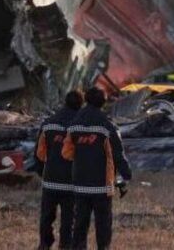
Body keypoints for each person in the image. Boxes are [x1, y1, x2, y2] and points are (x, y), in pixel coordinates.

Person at [61, 87, 132, 250]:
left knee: (79, 223)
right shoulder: (107, 127)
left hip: (80, 183)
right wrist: (126, 174)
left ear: (86, 100)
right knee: (103, 225)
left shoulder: (73, 127)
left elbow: (66, 153)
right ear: (103, 102)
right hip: (102, 185)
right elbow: (118, 154)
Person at [35, 90, 84, 250]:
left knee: (47, 217)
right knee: (69, 218)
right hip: (72, 182)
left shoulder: (48, 124)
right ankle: (65, 245)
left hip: (51, 180)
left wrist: (42, 172)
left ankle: (44, 244)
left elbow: (39, 154)